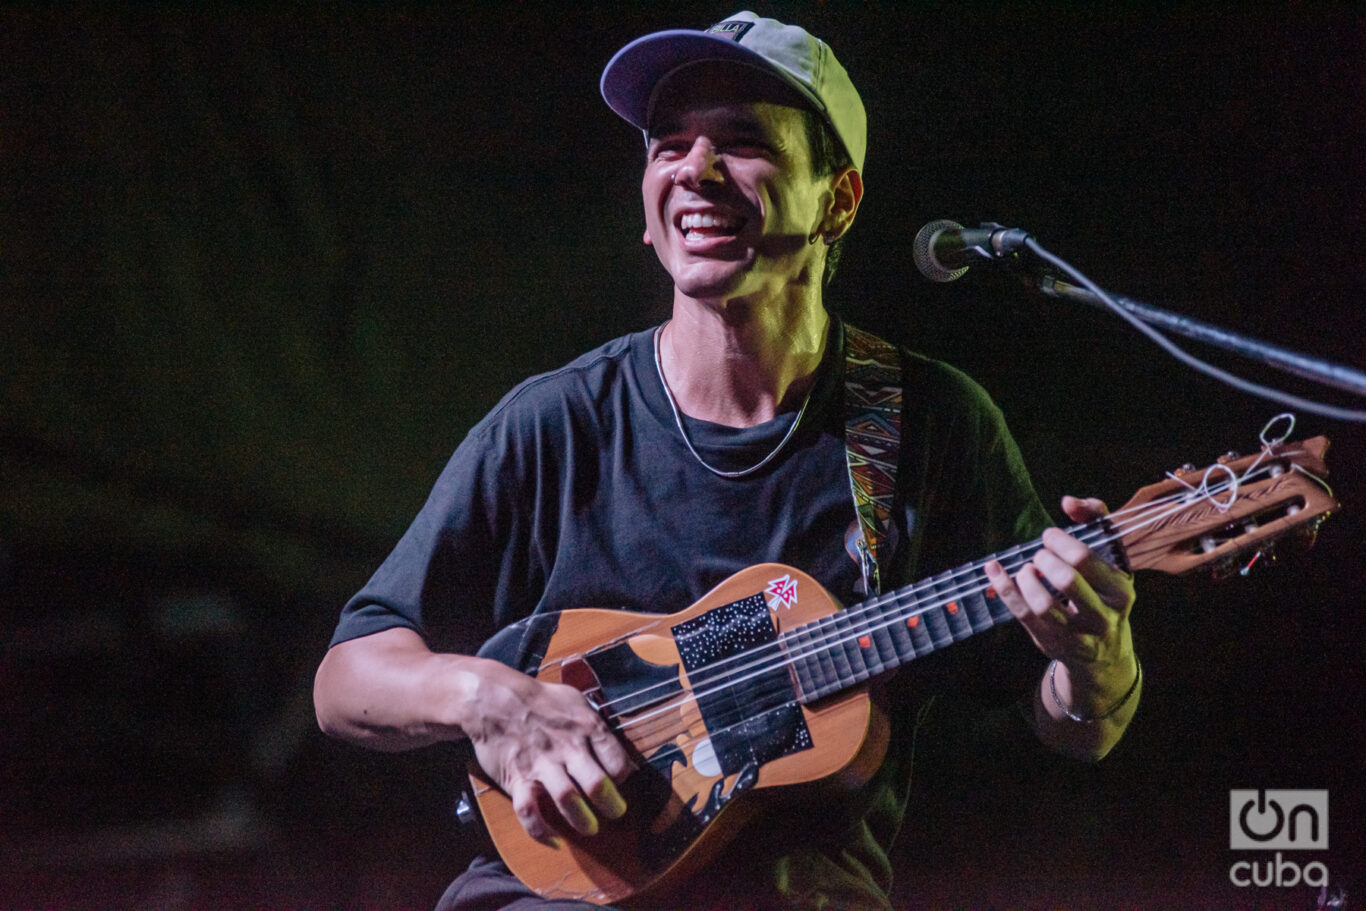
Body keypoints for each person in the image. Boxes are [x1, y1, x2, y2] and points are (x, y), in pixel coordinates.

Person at [313, 12, 1141, 910]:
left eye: (743, 143)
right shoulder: (555, 423)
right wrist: (487, 698)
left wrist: (1095, 656)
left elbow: (1071, 724)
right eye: (669, 145)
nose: (695, 171)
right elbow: (348, 678)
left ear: (839, 200)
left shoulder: (931, 422)